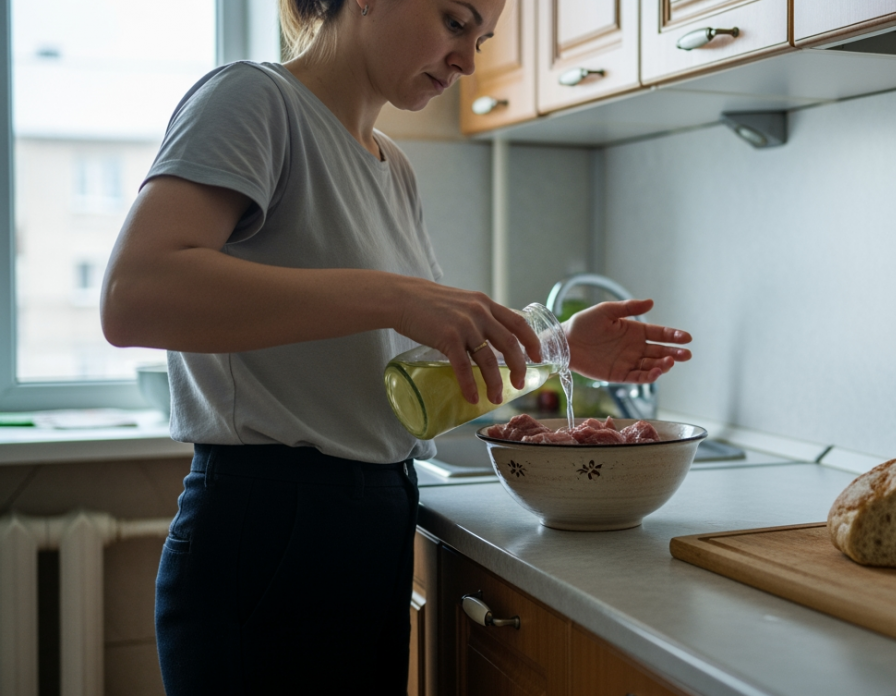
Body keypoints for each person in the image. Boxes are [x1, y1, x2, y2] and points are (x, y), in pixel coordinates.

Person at [99, 0, 692, 692]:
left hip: (373, 520)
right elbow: (134, 297)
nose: (467, 61)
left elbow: (409, 371)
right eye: (455, 21)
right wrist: (395, 296)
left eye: (482, 39)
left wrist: (556, 345)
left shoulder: (393, 167)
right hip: (270, 525)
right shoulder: (254, 99)